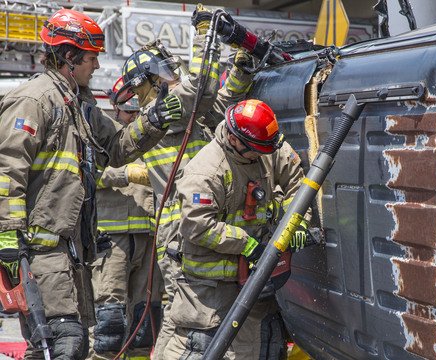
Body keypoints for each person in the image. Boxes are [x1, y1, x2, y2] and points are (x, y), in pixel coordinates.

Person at [0, 8, 180, 359]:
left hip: (72, 253)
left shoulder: (79, 106)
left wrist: (153, 121)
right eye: (91, 58)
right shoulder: (35, 100)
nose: (96, 67)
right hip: (40, 252)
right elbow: (6, 168)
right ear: (69, 56)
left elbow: (115, 148)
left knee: (69, 345)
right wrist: (7, 236)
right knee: (61, 345)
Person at [110, 5, 255, 357]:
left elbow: (222, 103)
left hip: (194, 225)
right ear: (149, 79)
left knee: (184, 318)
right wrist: (205, 32)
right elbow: (202, 85)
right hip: (183, 232)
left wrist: (241, 68)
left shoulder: (179, 111)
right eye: (164, 69)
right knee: (186, 323)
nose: (171, 73)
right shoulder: (164, 112)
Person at [165, 99, 309, 359]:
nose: (264, 156)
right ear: (234, 140)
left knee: (255, 348)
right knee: (204, 348)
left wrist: (296, 223)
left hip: (254, 278)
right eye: (257, 151)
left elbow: (297, 183)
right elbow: (197, 225)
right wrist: (247, 245)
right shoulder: (207, 171)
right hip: (209, 287)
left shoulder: (265, 145)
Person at [89, 97, 163, 359]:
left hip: (148, 236)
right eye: (128, 110)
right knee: (110, 322)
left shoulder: (154, 135)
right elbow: (86, 171)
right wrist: (126, 173)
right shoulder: (101, 133)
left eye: (136, 111)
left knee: (146, 323)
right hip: (112, 240)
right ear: (116, 106)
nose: (132, 116)